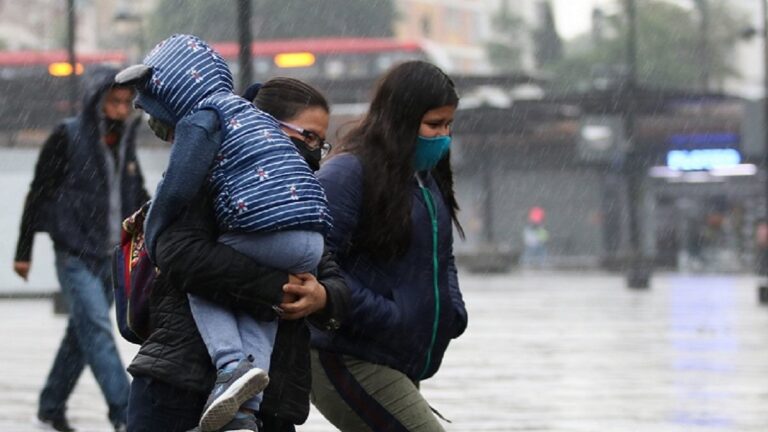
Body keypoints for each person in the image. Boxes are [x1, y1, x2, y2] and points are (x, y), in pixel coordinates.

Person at [116, 35, 332, 431]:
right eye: (307, 136)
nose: (314, 151)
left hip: (276, 404)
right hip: (180, 379)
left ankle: (242, 399)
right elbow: (180, 255)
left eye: (320, 141)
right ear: (263, 123)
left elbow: (331, 269)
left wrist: (324, 297)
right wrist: (277, 288)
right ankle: (236, 378)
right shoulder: (210, 171)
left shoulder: (298, 191)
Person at [310, 60, 468, 431]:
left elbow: (441, 257)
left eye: (448, 125)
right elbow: (315, 258)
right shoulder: (348, 172)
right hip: (347, 353)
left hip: (396, 354)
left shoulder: (426, 182)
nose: (444, 136)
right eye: (434, 125)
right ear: (401, 117)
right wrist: (388, 315)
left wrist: (452, 311)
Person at [13, 65, 149, 432]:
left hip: (110, 256)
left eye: (126, 102)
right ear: (96, 101)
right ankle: (126, 415)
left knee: (82, 333)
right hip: (74, 252)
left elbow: (137, 195)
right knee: (98, 331)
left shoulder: (125, 141)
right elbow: (38, 193)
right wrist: (23, 250)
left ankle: (50, 406)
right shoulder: (67, 136)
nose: (122, 109)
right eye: (114, 101)